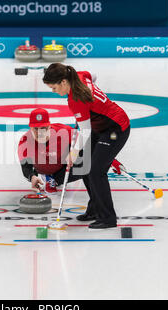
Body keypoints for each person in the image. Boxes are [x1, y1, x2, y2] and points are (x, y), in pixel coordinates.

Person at [42, 63, 130, 229]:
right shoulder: (78, 75)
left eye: (54, 88)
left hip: (115, 129)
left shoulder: (76, 99)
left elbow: (85, 130)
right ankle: (95, 208)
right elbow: (93, 76)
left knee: (96, 171)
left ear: (63, 82)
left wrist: (74, 152)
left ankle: (107, 218)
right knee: (85, 166)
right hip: (100, 127)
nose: (55, 92)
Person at [18, 108, 83, 194]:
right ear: (30, 128)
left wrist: (74, 153)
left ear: (49, 126)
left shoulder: (65, 132)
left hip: (62, 166)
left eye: (43, 128)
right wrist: (32, 177)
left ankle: (55, 179)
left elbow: (83, 141)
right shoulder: (25, 141)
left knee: (86, 162)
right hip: (41, 167)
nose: (40, 132)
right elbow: (26, 167)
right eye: (36, 129)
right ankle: (48, 175)